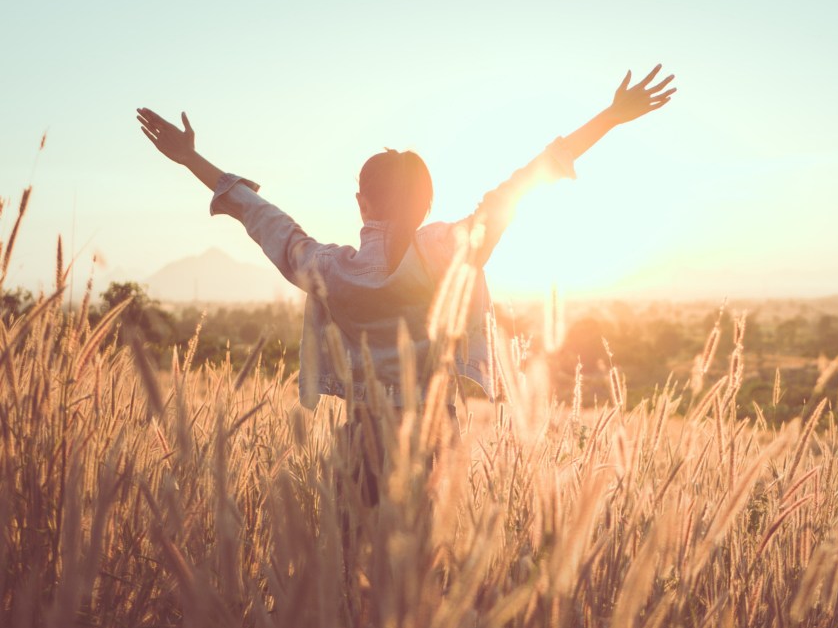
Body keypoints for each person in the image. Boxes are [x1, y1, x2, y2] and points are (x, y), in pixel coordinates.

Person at [136, 66, 675, 423]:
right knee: (421, 588)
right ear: (426, 202)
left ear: (361, 202)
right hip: (432, 446)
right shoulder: (451, 250)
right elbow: (526, 179)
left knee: (353, 582)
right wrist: (608, 117)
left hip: (360, 447)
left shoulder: (329, 270)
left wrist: (192, 160)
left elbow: (264, 218)